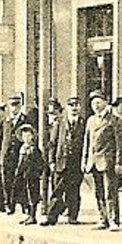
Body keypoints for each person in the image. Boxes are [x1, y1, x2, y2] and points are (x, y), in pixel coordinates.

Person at [43, 95, 86, 226]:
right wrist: (51, 161)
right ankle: (51, 217)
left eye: (77, 105)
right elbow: (53, 143)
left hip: (76, 163)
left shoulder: (83, 123)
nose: (74, 108)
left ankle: (73, 217)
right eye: (71, 105)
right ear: (67, 108)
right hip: (60, 162)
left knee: (74, 191)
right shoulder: (60, 122)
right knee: (57, 191)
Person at [83, 92, 120, 230]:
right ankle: (102, 218)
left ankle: (113, 220)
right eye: (93, 103)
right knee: (98, 192)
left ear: (105, 102)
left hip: (107, 161)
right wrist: (85, 160)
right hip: (93, 161)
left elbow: (119, 143)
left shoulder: (113, 120)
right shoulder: (91, 120)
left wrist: (118, 162)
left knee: (110, 191)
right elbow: (87, 142)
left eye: (98, 102)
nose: (96, 106)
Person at [13, 123, 45, 224]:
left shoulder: (34, 149)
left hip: (32, 176)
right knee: (24, 196)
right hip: (22, 176)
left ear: (32, 136)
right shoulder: (22, 149)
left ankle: (33, 216)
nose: (26, 138)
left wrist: (37, 172)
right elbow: (19, 162)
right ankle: (28, 215)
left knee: (33, 196)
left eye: (28, 136)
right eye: (24, 136)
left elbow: (40, 163)